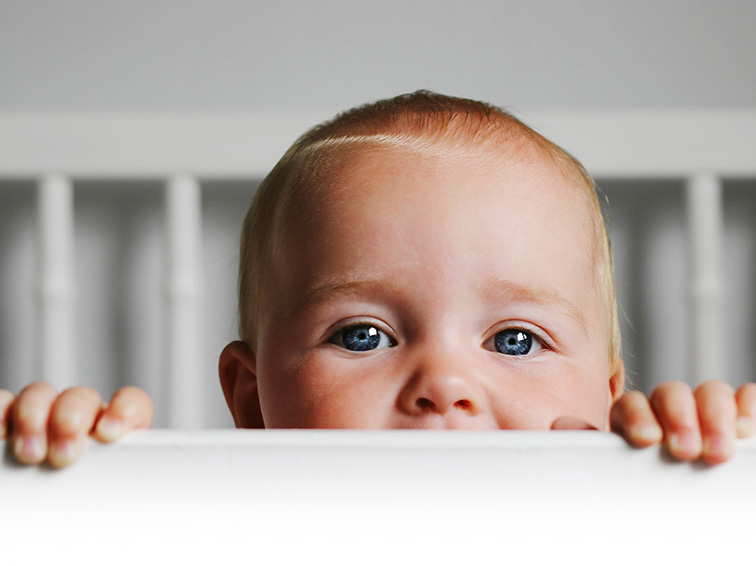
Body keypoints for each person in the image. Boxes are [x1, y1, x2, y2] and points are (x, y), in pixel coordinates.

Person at [2, 91, 754, 468]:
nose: (444, 385)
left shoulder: (637, 524)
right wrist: (60, 468)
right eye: (363, 335)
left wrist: (707, 462)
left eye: (517, 340)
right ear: (250, 398)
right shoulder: (223, 533)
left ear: (610, 400)